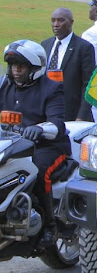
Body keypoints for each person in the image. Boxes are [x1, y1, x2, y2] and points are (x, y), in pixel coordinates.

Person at [0, 40, 69, 247]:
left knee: (38, 170)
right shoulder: (4, 85)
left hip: (47, 145)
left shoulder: (52, 88)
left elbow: (58, 123)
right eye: (13, 66)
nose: (16, 70)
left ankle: (49, 226)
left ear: (35, 68)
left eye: (21, 66)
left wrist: (39, 128)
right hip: (10, 144)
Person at [41, 8, 96, 121]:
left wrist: (81, 117)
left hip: (72, 113)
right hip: (47, 113)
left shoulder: (84, 48)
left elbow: (89, 85)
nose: (56, 25)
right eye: (53, 20)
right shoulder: (45, 45)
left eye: (61, 20)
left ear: (71, 22)